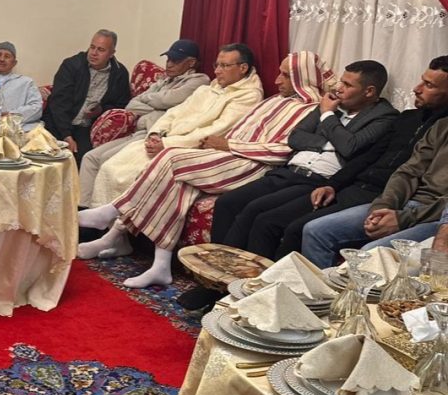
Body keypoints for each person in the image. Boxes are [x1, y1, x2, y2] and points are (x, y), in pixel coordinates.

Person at [77, 52, 330, 289]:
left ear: (302, 77)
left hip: (250, 163)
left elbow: (284, 150)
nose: (277, 80)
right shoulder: (275, 100)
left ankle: (113, 212)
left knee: (172, 158)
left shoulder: (310, 110)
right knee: (180, 182)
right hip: (225, 152)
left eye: (285, 75)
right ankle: (160, 263)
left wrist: (228, 145)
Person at [211, 60, 398, 257]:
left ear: (369, 91)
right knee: (227, 202)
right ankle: (215, 265)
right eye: (341, 81)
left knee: (258, 214)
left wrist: (327, 115)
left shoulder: (384, 116)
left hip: (317, 180)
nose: (339, 88)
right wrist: (330, 142)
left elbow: (349, 147)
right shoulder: (333, 102)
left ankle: (240, 272)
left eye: (348, 85)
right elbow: (295, 137)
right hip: (289, 171)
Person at [276, 58, 448, 266]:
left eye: (429, 85)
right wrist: (383, 206)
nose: (416, 89)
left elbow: (350, 147)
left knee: (369, 254)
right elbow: (407, 170)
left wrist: (402, 217)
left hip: (434, 214)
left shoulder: (386, 115)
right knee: (312, 230)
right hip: (393, 198)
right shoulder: (433, 124)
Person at [85, 43, 264, 207]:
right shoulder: (208, 89)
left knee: (128, 175)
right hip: (163, 138)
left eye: (224, 66)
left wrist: (167, 143)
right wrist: (155, 134)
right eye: (216, 65)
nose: (217, 71)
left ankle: (120, 225)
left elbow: (216, 130)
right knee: (111, 167)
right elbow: (174, 112)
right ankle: (100, 223)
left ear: (243, 68)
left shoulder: (248, 96)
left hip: (188, 148)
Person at [78, 39, 209, 205]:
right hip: (139, 131)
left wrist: (153, 101)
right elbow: (133, 105)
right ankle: (82, 210)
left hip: (155, 135)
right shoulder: (164, 80)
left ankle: (102, 213)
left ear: (191, 63)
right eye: (168, 59)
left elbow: (168, 101)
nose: (169, 64)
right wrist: (158, 105)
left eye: (175, 61)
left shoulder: (198, 81)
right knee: (90, 157)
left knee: (106, 159)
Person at [42, 29, 131, 163]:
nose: (94, 53)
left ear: (112, 53)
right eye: (92, 47)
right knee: (49, 154)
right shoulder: (71, 65)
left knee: (84, 158)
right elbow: (58, 103)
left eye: (101, 50)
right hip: (58, 122)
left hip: (85, 127)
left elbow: (121, 105)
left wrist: (101, 110)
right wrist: (67, 136)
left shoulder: (119, 73)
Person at [0, 41, 44, 129]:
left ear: (14, 63)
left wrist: (11, 115)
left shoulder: (26, 82)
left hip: (20, 129)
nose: (2, 59)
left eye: (7, 56)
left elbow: (37, 107)